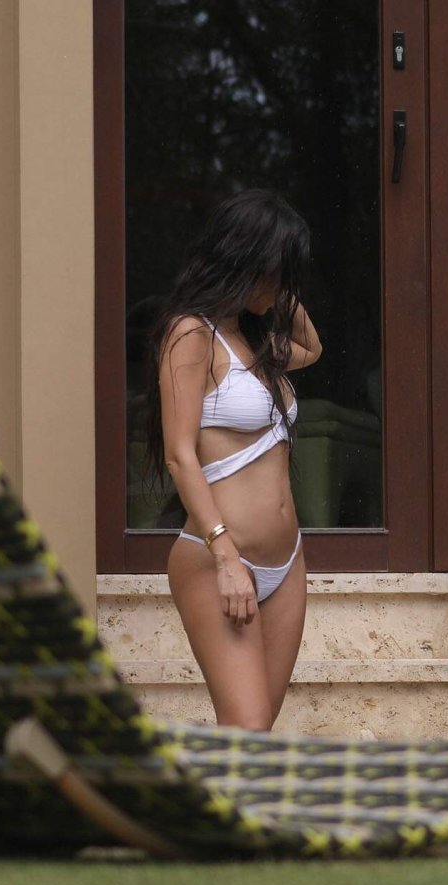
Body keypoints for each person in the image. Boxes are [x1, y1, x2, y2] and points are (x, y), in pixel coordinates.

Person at [146, 190, 321, 730]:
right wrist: (225, 558)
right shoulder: (190, 333)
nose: (283, 287)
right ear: (248, 261)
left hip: (286, 562)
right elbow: (179, 455)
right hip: (218, 557)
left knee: (255, 739)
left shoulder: (253, 341)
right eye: (279, 272)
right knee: (245, 729)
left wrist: (278, 286)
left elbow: (312, 347)